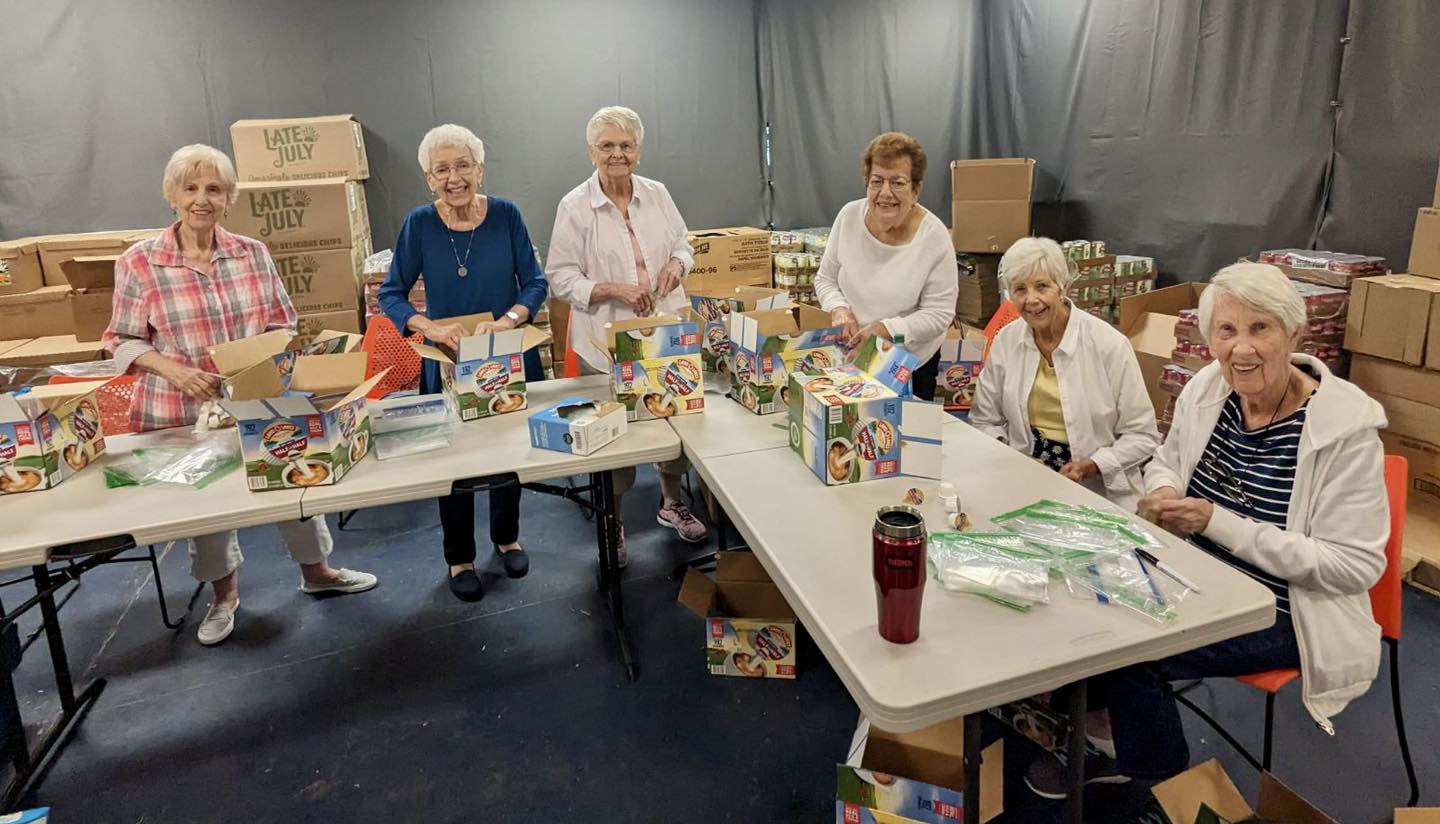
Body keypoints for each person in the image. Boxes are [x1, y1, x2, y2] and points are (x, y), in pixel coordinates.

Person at [1024, 263, 1389, 798]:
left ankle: (1157, 779)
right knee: (1075, 583)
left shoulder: (1344, 431)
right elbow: (1166, 460)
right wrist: (1166, 489)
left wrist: (1217, 522)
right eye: (1227, 330)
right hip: (1195, 573)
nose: (1242, 348)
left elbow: (1353, 566)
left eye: (1260, 328)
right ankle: (1093, 725)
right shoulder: (1210, 388)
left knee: (1131, 653)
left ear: (1295, 333)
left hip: (1286, 609)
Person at [104, 144, 377, 646]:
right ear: (171, 195)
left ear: (229, 198)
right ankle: (224, 596)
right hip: (183, 410)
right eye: (190, 188)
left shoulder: (252, 253)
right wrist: (174, 371)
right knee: (208, 510)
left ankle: (317, 573)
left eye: (214, 189)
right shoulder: (140, 262)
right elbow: (121, 340)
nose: (201, 199)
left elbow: (281, 322)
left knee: (293, 483)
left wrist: (261, 362)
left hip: (257, 399)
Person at [378, 124, 548, 603]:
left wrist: (509, 318)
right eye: (442, 170)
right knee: (453, 463)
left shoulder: (506, 215)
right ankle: (459, 557)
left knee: (508, 451)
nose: (454, 178)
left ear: (480, 169)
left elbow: (535, 283)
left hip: (505, 356)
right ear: (429, 179)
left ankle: (507, 537)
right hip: (448, 362)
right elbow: (391, 293)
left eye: (463, 166)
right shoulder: (419, 224)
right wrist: (428, 328)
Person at [546, 105, 708, 566]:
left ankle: (671, 503)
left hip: (662, 335)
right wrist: (613, 289)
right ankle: (613, 521)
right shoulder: (575, 206)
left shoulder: (657, 193)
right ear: (591, 151)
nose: (617, 154)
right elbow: (560, 276)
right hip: (606, 342)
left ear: (639, 150)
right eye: (607, 146)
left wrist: (677, 265)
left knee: (671, 419)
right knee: (613, 436)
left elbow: (683, 242)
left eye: (626, 145)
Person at [970, 237, 1159, 511]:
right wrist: (1012, 458)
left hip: (1096, 487)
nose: (1031, 300)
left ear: (1063, 287)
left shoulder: (1108, 344)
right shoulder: (1006, 341)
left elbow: (1143, 435)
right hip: (1024, 477)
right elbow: (984, 420)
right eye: (1020, 289)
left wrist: (1092, 465)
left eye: (1042, 286)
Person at [815, 132, 958, 400]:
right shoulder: (848, 217)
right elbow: (826, 279)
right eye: (877, 181)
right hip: (851, 353)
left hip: (908, 364)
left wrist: (887, 329)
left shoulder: (934, 236)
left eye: (898, 183)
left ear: (916, 190)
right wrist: (839, 309)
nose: (885, 193)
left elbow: (939, 314)